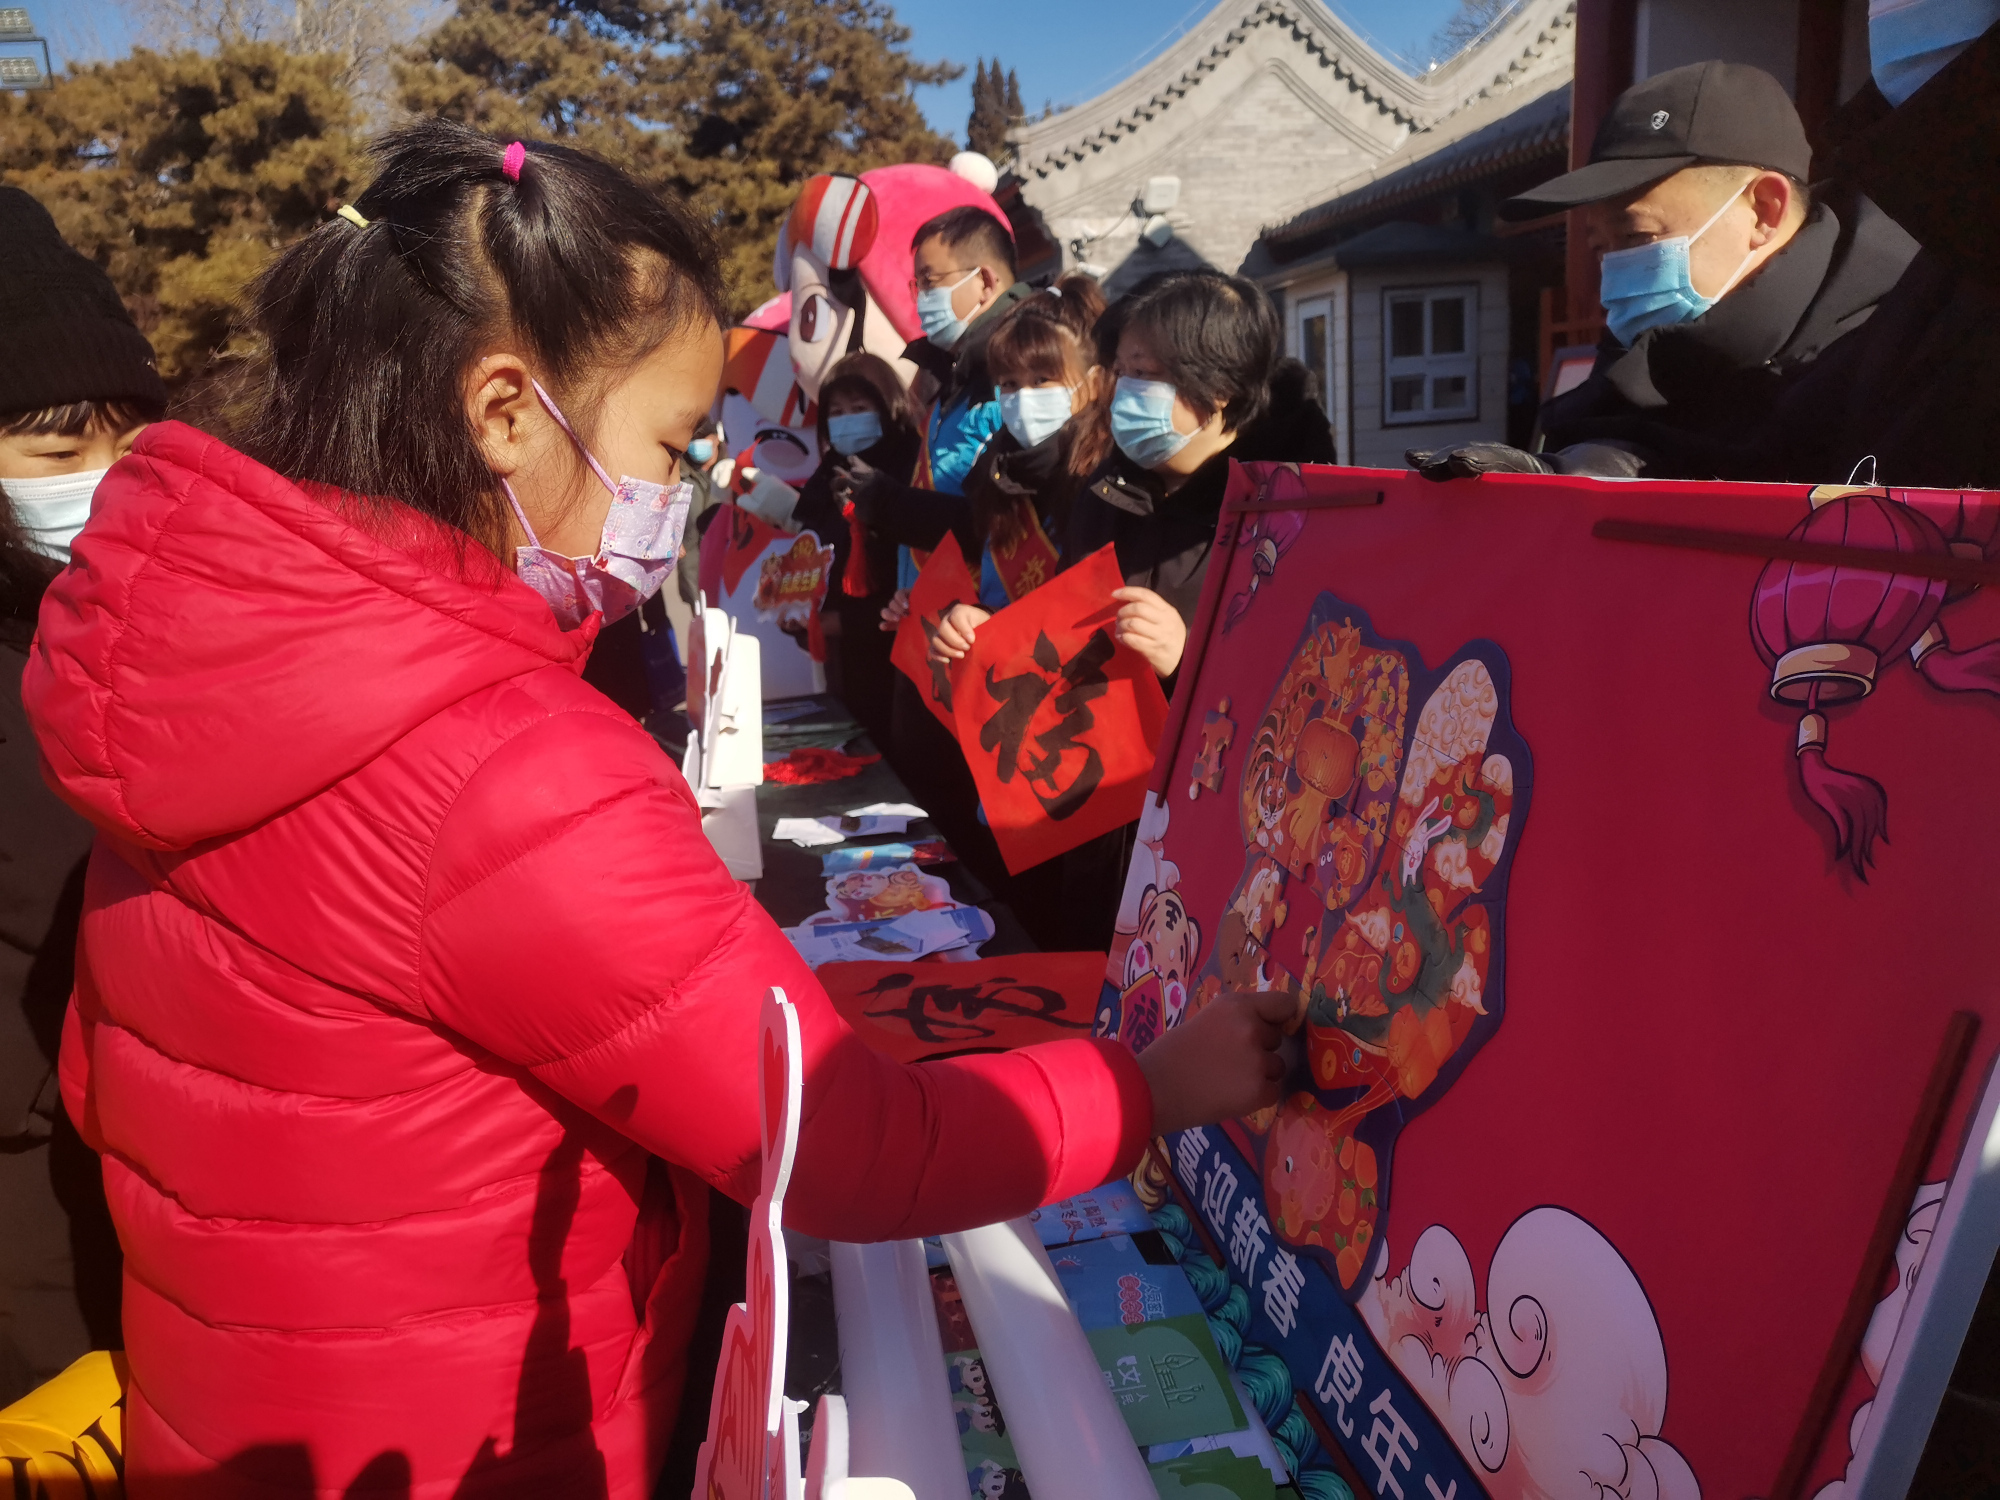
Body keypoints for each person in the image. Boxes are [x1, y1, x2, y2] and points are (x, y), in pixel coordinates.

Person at [20, 121, 1293, 1497]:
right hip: (480, 1442)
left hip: (236, 1409)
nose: (675, 497)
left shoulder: (201, 675)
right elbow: (843, 1144)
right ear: (505, 413)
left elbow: (106, 1079)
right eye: (672, 445)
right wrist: (1152, 1087)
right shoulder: (500, 761)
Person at [1407, 61, 1918, 483]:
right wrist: (1576, 476)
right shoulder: (1653, 355)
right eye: (1602, 247)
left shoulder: (1897, 348)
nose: (1614, 272)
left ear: (1764, 210)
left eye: (1637, 237)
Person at [0, 186, 157, 1402]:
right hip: (24, 1214)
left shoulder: (134, 625)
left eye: (129, 443)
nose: (100, 482)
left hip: (144, 1180)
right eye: (57, 454)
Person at [838, 204, 1037, 585]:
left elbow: (1003, 523)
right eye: (917, 285)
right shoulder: (951, 373)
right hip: (937, 607)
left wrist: (888, 502)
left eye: (930, 281)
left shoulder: (1022, 374)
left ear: (985, 282)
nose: (921, 299)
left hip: (993, 606)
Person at [790, 352, 919, 746]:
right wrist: (794, 610)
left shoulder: (912, 473)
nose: (847, 419)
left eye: (860, 408)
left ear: (889, 407)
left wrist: (841, 623)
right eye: (837, 411)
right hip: (842, 665)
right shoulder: (825, 479)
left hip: (898, 665)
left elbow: (912, 579)